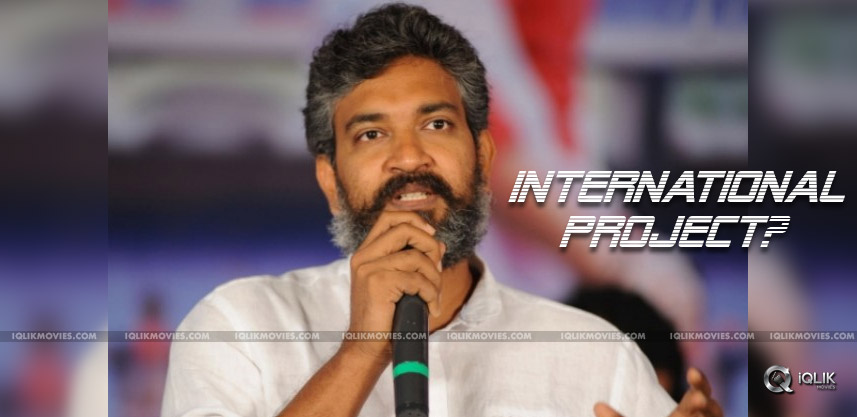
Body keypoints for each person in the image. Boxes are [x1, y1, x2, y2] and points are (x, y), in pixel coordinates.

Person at [161, 4, 722, 417]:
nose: (409, 158)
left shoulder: (597, 352)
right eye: (372, 134)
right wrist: (363, 352)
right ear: (330, 179)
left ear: (480, 156)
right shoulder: (239, 325)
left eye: (436, 126)